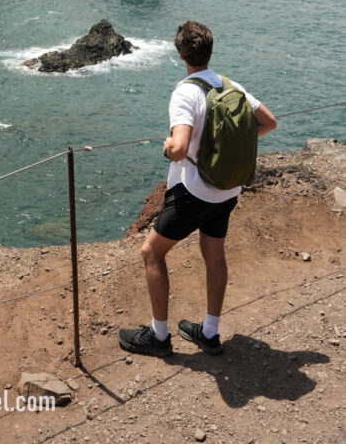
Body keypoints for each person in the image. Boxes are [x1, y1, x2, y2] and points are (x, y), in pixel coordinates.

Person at [118, 20, 277, 357]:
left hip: (194, 191)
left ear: (180, 55)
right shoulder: (231, 87)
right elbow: (268, 122)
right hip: (228, 191)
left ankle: (159, 337)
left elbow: (178, 148)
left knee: (151, 253)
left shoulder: (185, 92)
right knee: (214, 254)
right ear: (209, 50)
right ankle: (209, 331)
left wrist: (168, 147)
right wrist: (225, 150)